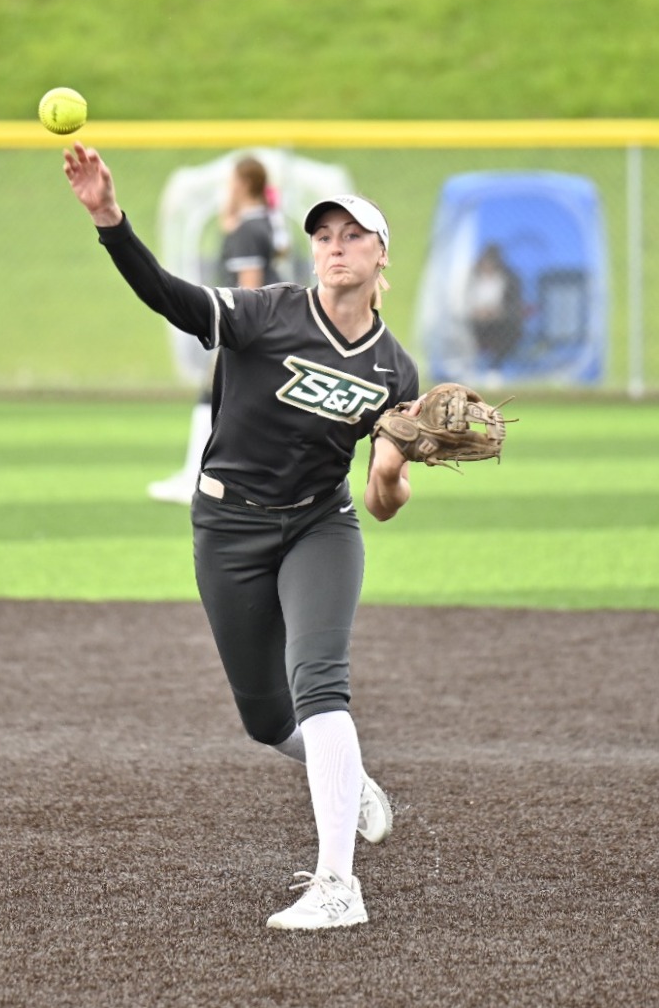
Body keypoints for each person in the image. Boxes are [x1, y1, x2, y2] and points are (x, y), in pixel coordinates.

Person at [63, 140, 419, 930]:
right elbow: (172, 298)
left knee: (320, 678)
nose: (334, 246)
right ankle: (349, 779)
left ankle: (338, 885)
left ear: (380, 253)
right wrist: (109, 220)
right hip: (227, 524)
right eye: (323, 234)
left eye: (352, 235)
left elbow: (382, 493)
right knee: (265, 717)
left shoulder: (396, 371)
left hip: (320, 525)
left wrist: (391, 474)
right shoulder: (268, 313)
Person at [148, 155, 290, 504]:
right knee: (227, 401)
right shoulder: (265, 223)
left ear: (242, 185)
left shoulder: (248, 229)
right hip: (269, 327)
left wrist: (240, 333)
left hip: (247, 329)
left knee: (211, 397)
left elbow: (250, 289)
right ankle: (203, 476)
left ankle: (196, 478)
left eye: (231, 183)